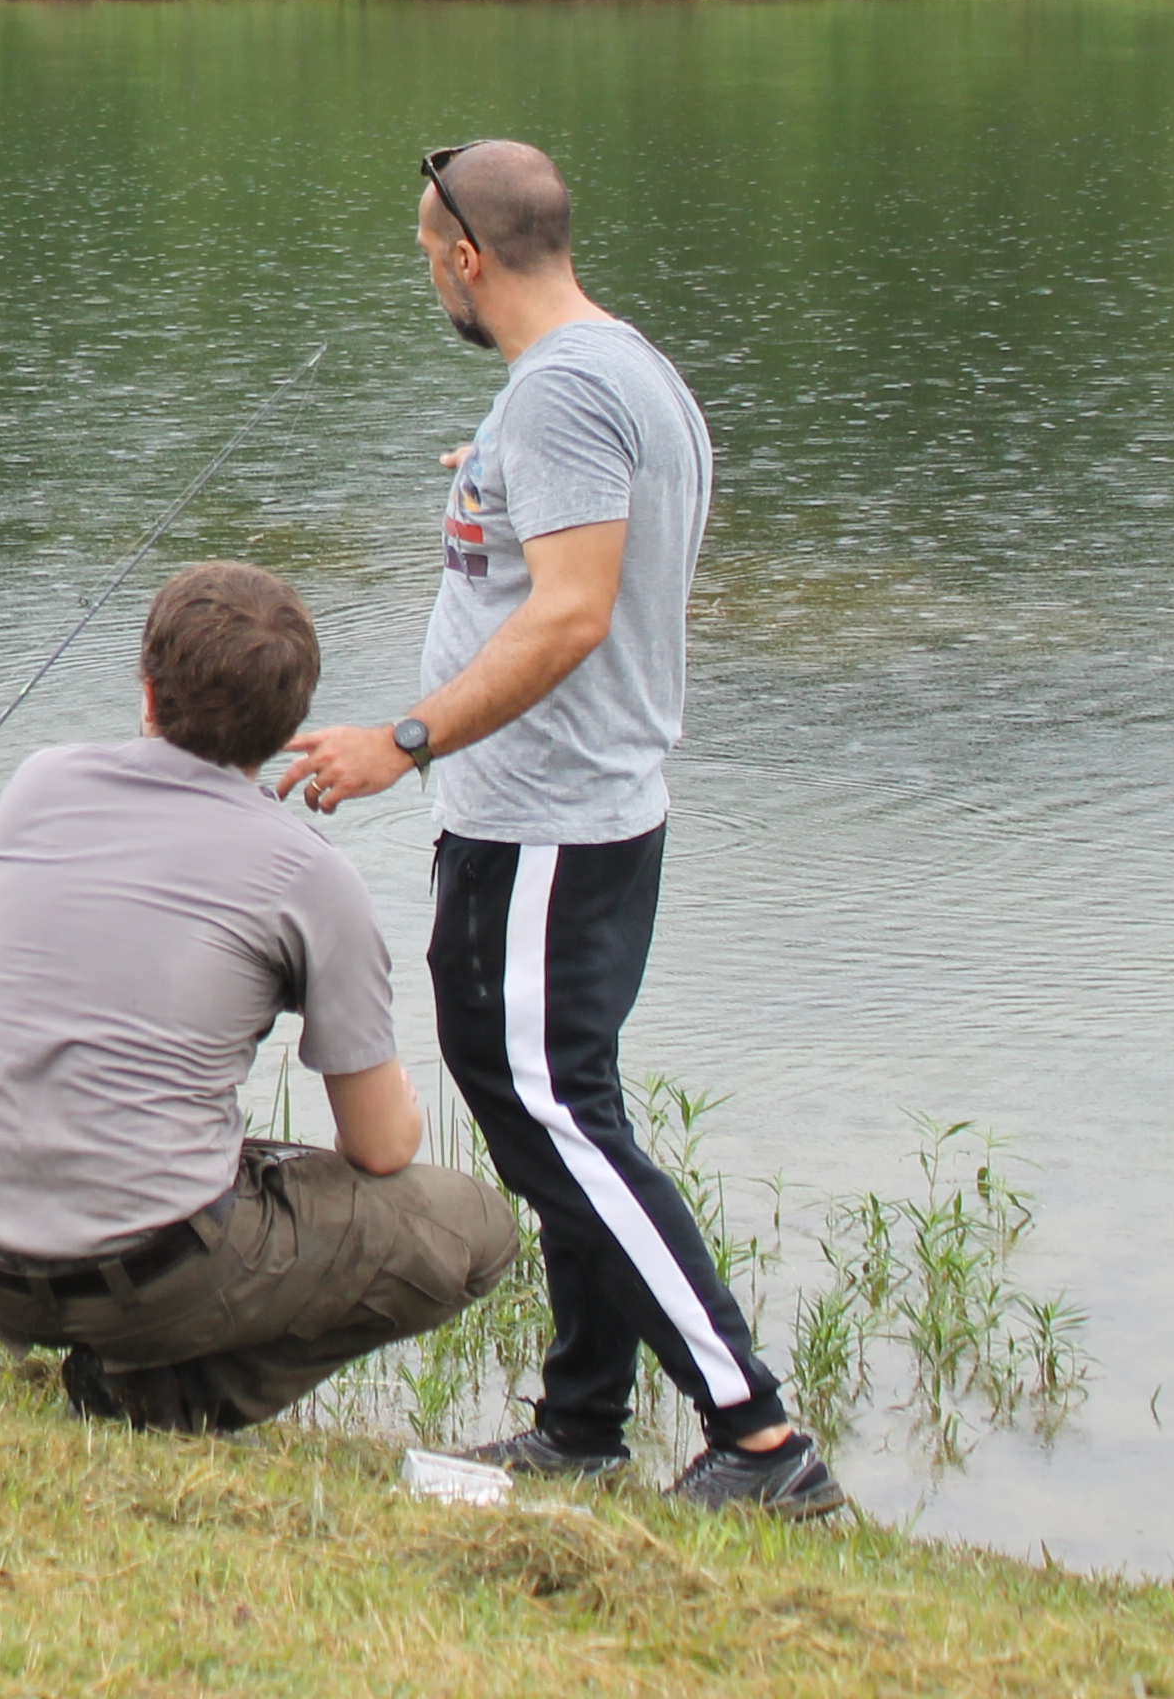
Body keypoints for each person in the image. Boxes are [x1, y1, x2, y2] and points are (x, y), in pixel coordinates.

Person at [275, 139, 843, 1517]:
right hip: (576, 814)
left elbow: (576, 613)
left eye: (429, 263)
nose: (432, 288)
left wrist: (401, 739)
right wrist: (497, 480)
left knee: (549, 1116)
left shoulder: (564, 398)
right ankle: (584, 1424)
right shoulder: (614, 370)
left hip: (547, 820)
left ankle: (759, 1439)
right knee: (570, 1112)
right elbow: (577, 552)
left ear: (469, 257)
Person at [0, 562, 518, 1429]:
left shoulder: (37, 785)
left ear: (148, 694)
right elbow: (383, 1148)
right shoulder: (314, 876)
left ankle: (135, 1358)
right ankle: (169, 1395)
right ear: (291, 727)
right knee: (475, 1228)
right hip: (147, 1278)